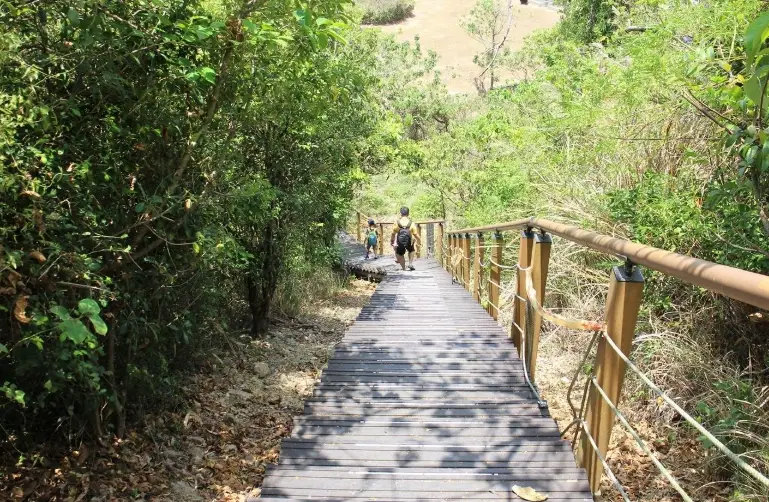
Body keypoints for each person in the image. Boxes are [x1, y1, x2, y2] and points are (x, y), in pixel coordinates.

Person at [390, 207, 419, 271]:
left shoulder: (397, 222)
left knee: (399, 253)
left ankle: (403, 268)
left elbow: (393, 233)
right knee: (411, 250)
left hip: (400, 241)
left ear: (401, 214)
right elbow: (415, 234)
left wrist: (392, 240)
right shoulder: (411, 223)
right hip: (409, 241)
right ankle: (410, 263)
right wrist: (419, 239)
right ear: (408, 214)